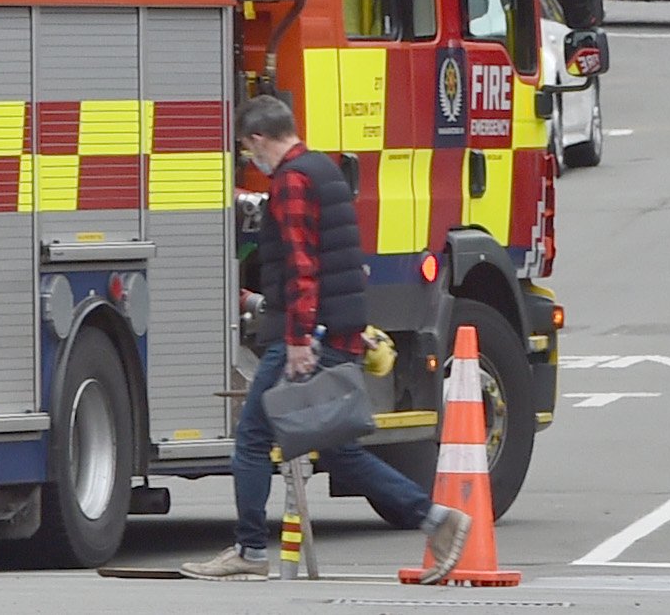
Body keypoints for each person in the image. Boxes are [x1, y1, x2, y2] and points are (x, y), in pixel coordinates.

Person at [182, 95, 470, 583]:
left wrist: (296, 341)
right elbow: (336, 259)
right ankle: (436, 519)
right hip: (338, 329)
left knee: (251, 438)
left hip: (310, 336)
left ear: (257, 140)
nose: (252, 161)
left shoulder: (291, 181)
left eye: (249, 151)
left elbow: (301, 266)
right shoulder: (324, 171)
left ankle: (250, 550)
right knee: (339, 450)